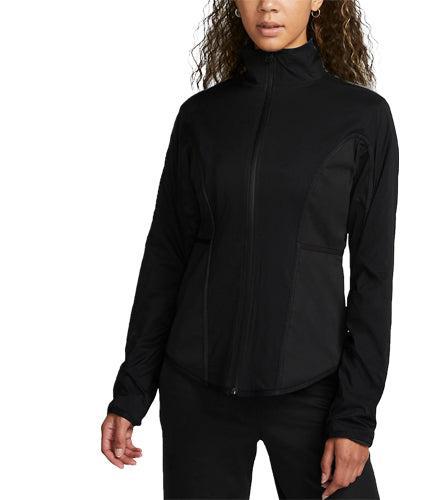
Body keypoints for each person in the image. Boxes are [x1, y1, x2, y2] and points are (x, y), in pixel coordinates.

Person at [100, 1, 399, 499]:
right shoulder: (201, 117)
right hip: (197, 389)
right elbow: (165, 259)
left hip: (314, 390)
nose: (268, 6)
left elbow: (374, 278)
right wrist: (131, 392)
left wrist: (355, 417)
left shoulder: (362, 118)